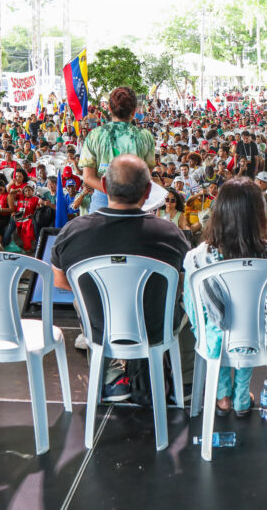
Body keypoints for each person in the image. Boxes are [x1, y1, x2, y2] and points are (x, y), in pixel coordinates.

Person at [52, 155, 190, 403]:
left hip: (101, 328)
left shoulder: (73, 232)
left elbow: (60, 281)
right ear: (148, 191)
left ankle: (112, 373)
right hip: (154, 330)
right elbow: (179, 284)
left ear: (103, 185)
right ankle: (182, 380)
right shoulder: (171, 234)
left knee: (80, 297)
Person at [183, 178, 267, 416]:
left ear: (219, 212)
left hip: (216, 341)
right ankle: (242, 395)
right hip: (264, 339)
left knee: (215, 322)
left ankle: (222, 395)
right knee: (252, 323)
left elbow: (194, 309)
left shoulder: (198, 257)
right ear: (259, 213)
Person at [79, 87, 156, 213]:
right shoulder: (145, 136)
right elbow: (147, 174)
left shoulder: (94, 135)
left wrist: (113, 193)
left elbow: (87, 177)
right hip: (134, 201)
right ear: (134, 111)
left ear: (109, 108)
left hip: (102, 200)